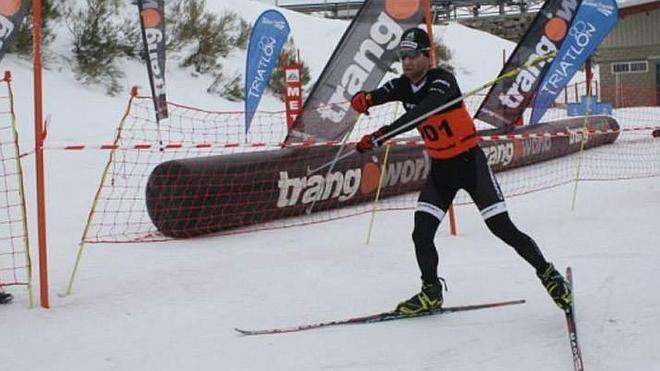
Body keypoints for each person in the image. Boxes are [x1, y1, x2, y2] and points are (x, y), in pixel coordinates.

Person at [350, 27, 572, 315]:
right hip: (442, 169)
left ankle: (548, 275)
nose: (406, 63)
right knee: (422, 233)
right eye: (402, 57)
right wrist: (364, 99)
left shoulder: (443, 81)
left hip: (470, 164)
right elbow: (381, 93)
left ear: (428, 56)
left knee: (502, 228)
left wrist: (381, 135)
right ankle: (431, 292)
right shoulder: (403, 84)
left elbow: (423, 112)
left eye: (412, 56)